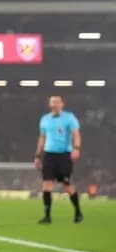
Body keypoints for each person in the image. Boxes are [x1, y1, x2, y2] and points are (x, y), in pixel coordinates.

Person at [35, 95, 83, 224]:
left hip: (63, 155)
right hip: (49, 155)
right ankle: (47, 216)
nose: (54, 104)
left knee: (67, 185)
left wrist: (76, 148)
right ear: (50, 104)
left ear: (62, 104)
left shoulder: (69, 117)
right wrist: (38, 155)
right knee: (46, 184)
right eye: (52, 102)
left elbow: (76, 134)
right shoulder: (44, 119)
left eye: (57, 102)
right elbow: (42, 137)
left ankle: (78, 211)